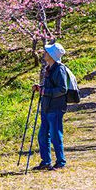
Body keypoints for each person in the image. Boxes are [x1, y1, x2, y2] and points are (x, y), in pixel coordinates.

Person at [31, 43, 67, 171]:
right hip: (47, 107)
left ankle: (61, 162)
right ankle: (46, 161)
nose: (44, 53)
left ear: (52, 55)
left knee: (55, 136)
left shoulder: (59, 69)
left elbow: (62, 89)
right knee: (42, 135)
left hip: (55, 108)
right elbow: (51, 87)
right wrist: (40, 88)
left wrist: (45, 91)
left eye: (47, 51)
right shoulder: (49, 68)